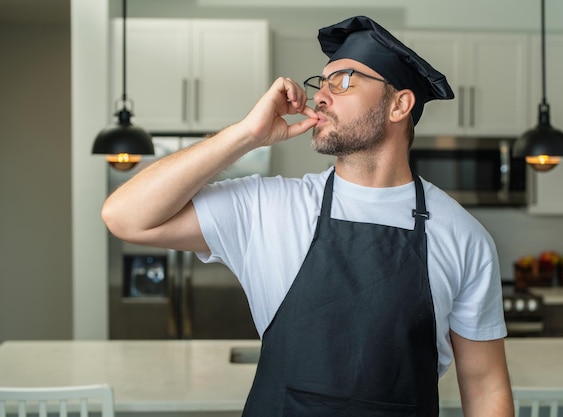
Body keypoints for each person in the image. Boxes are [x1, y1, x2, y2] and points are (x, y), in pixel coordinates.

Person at [102, 15, 513, 417]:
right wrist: (247, 135)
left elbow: (485, 385)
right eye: (322, 83)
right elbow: (126, 217)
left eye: (344, 81)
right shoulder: (270, 208)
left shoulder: (462, 235)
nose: (320, 96)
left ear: (399, 105)